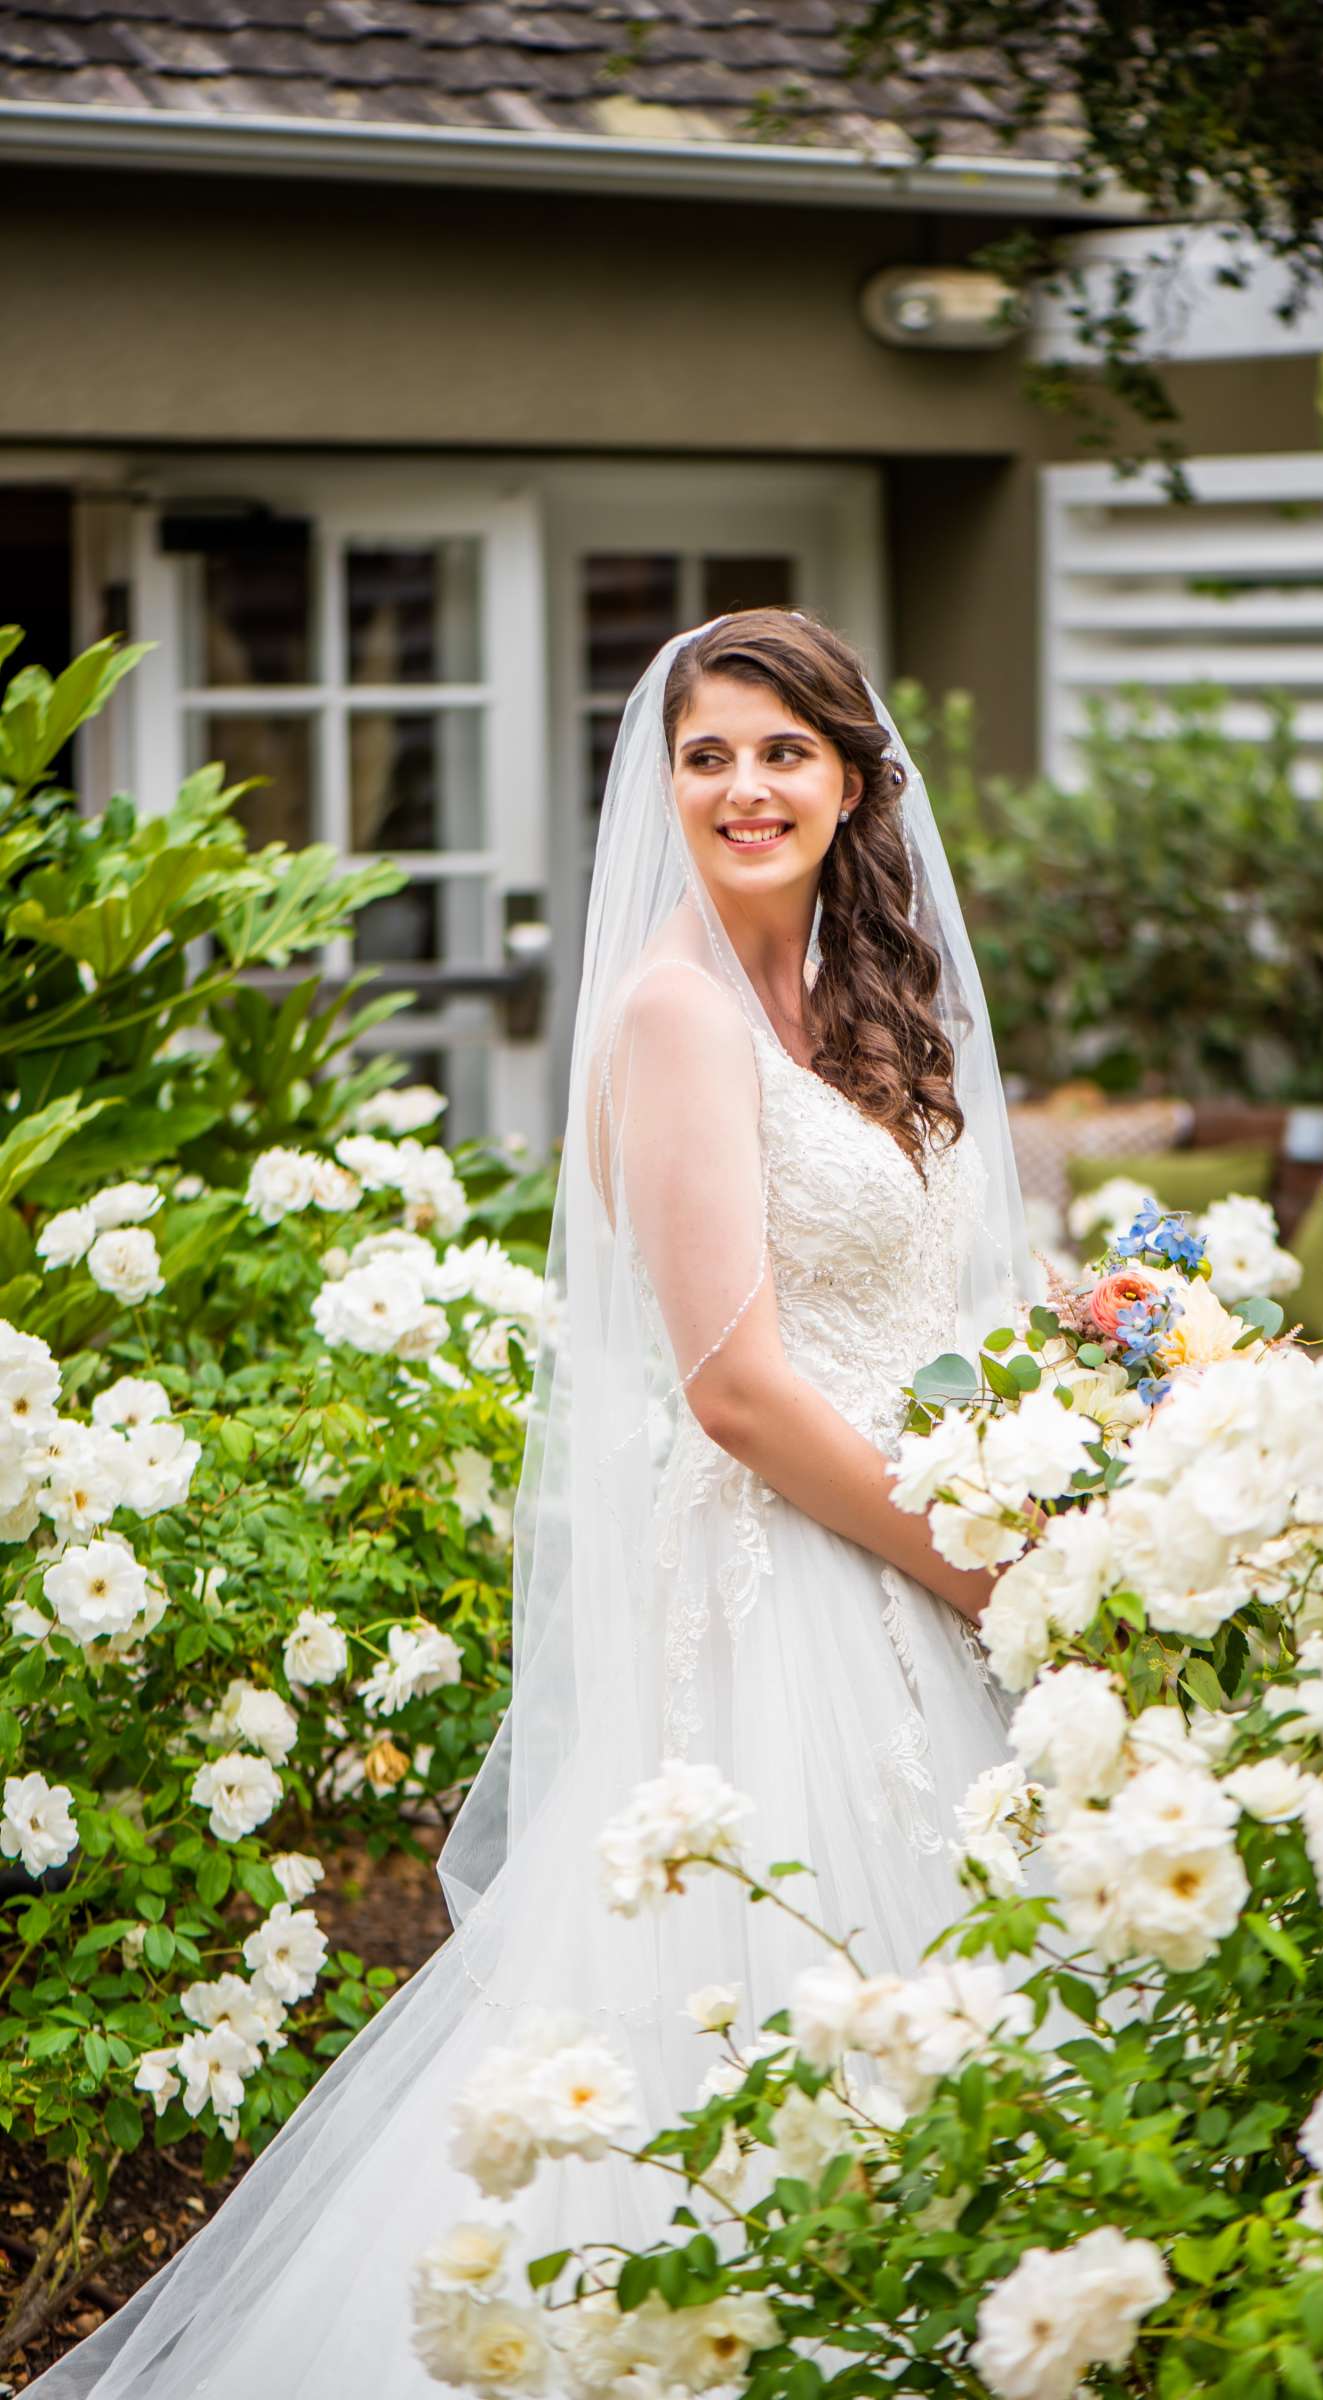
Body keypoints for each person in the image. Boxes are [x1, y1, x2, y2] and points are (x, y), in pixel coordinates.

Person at [29, 610, 1037, 2396]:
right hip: (794, 1577)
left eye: (783, 751)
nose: (744, 787)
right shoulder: (671, 1011)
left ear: (853, 777)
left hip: (925, 1539)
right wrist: (980, 1565)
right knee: (758, 2032)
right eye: (707, 755)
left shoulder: (869, 993)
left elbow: (926, 1310)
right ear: (663, 788)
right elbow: (731, 1390)